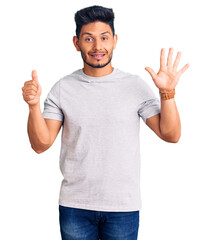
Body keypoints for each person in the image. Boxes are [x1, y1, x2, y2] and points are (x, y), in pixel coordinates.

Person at [21, 5, 189, 240]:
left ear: (115, 40)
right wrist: (33, 106)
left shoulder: (134, 86)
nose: (98, 47)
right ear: (76, 43)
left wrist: (167, 93)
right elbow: (40, 144)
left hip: (123, 207)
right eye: (88, 38)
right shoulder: (62, 88)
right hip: (75, 205)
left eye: (104, 38)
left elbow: (171, 135)